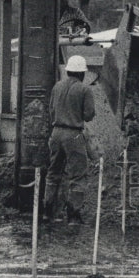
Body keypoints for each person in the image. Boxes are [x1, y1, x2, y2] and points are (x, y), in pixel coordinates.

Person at [43, 53, 95, 224]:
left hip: (56, 133)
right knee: (77, 175)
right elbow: (88, 115)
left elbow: (51, 111)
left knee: (53, 173)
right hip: (74, 134)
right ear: (82, 73)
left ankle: (47, 212)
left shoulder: (57, 87)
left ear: (68, 71)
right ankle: (73, 215)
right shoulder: (85, 89)